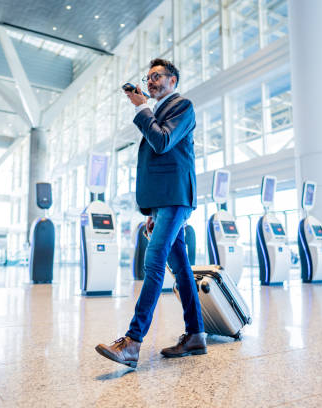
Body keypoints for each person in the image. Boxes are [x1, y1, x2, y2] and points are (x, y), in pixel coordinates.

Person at [95, 59, 205, 368]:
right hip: (164, 201)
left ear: (173, 81)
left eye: (157, 77)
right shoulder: (157, 112)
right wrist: (154, 210)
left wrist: (140, 107)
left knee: (154, 262)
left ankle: (132, 342)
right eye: (148, 77)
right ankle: (196, 334)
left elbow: (162, 142)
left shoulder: (183, 106)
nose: (151, 81)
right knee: (181, 270)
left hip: (177, 197)